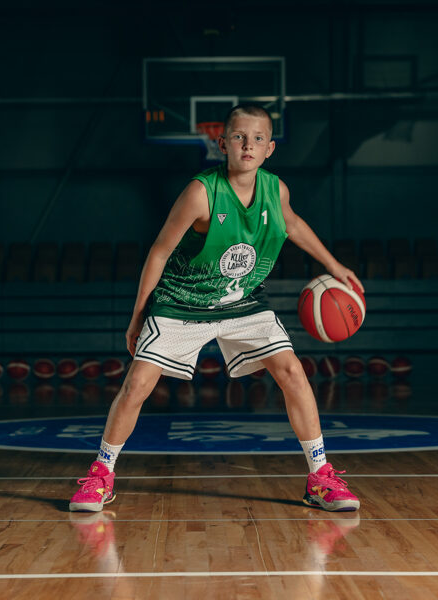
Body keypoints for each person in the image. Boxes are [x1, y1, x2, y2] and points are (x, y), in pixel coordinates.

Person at [69, 104, 364, 513]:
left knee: (292, 372)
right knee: (137, 384)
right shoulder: (200, 193)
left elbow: (293, 224)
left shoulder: (275, 190)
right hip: (181, 301)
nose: (248, 145)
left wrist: (334, 266)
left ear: (270, 149)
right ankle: (101, 476)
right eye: (239, 137)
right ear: (222, 144)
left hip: (242, 301)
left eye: (258, 138)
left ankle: (320, 477)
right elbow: (159, 251)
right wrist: (138, 315)